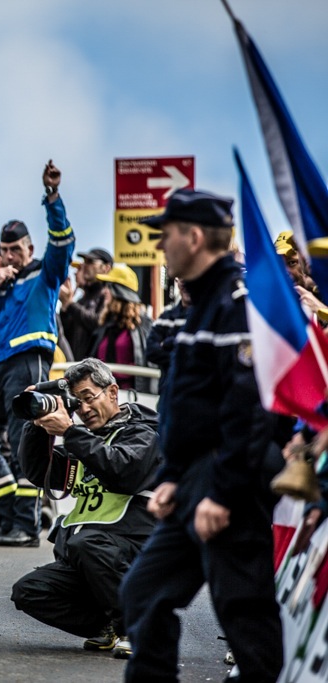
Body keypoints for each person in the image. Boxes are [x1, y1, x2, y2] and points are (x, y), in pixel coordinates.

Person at [120, 189, 284, 681]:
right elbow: (189, 406)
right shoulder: (202, 303)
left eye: (165, 235)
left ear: (193, 237)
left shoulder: (238, 302)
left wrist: (222, 491)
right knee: (142, 594)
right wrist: (172, 476)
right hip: (192, 479)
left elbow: (249, 409)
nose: (160, 246)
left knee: (243, 614)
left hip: (228, 481)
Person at [0, 160, 75, 547]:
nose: (9, 256)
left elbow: (61, 243)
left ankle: (25, 527)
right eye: (4, 250)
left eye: (16, 249)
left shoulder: (45, 274)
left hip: (28, 363)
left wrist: (52, 198)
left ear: (28, 248)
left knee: (22, 440)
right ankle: (9, 520)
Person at [10, 359, 159, 659]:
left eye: (89, 397)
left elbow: (122, 471)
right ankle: (107, 626)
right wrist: (37, 425)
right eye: (76, 404)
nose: (84, 409)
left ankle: (140, 628)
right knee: (28, 590)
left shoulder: (145, 434)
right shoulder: (85, 441)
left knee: (88, 541)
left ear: (113, 392)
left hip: (130, 552)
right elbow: (41, 472)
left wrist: (71, 432)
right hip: (88, 555)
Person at [86, 264, 156, 394]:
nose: (104, 291)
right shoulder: (104, 325)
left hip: (135, 400)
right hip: (103, 397)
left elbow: (150, 365)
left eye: (108, 286)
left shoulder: (144, 325)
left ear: (119, 291)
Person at [59, 247, 113, 362]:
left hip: (98, 368)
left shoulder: (109, 295)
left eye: (90, 262)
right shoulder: (82, 299)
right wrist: (64, 306)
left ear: (106, 268)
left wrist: (70, 304)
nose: (84, 266)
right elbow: (65, 333)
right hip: (78, 366)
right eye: (84, 262)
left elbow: (97, 323)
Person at [145, 278, 190, 399]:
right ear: (177, 281)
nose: (186, 284)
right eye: (183, 279)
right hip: (167, 392)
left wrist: (167, 343)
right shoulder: (166, 316)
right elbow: (150, 351)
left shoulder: (206, 315)